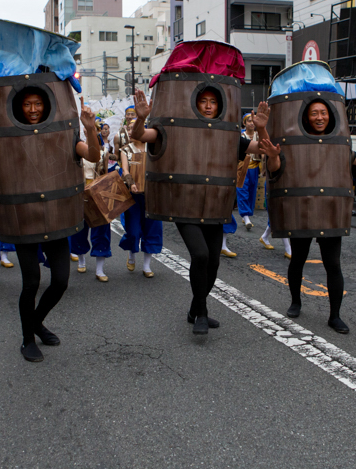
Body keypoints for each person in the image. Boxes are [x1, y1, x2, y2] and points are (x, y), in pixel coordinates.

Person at [0, 94, 102, 363]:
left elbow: (92, 154)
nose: (33, 109)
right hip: (22, 218)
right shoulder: (4, 137)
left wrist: (90, 127)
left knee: (60, 282)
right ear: (19, 107)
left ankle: (36, 323)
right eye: (27, 104)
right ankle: (27, 339)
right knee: (31, 282)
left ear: (47, 105)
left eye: (38, 103)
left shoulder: (62, 133)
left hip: (56, 217)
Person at [258, 100, 356, 333]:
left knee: (333, 265)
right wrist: (262, 131)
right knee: (298, 259)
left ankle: (335, 316)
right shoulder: (294, 145)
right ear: (306, 118)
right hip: (303, 211)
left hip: (330, 213)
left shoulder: (340, 147)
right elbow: (276, 166)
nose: (320, 117)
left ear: (331, 116)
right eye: (314, 113)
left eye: (324, 113)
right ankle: (296, 301)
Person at [132, 88, 270, 335]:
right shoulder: (177, 129)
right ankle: (202, 314)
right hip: (184, 207)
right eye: (203, 102)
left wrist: (260, 126)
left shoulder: (228, 135)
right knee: (201, 255)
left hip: (215, 208)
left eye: (213, 102)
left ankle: (194, 309)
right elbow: (141, 135)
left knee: (214, 263)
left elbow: (263, 148)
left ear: (220, 107)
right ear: (194, 105)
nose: (208, 106)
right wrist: (142, 117)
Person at [117, 112, 162, 277]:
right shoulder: (125, 150)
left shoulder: (153, 148)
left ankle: (147, 266)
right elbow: (125, 170)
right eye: (129, 128)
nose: (131, 131)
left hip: (151, 196)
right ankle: (131, 254)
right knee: (133, 230)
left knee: (152, 229)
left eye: (135, 128)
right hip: (133, 196)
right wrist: (131, 183)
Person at [69, 122, 114, 281]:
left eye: (94, 131)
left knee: (101, 230)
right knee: (79, 230)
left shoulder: (103, 152)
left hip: (98, 193)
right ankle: (81, 260)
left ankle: (100, 269)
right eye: (87, 131)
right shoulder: (75, 152)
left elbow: (107, 174)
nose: (90, 133)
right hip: (80, 194)